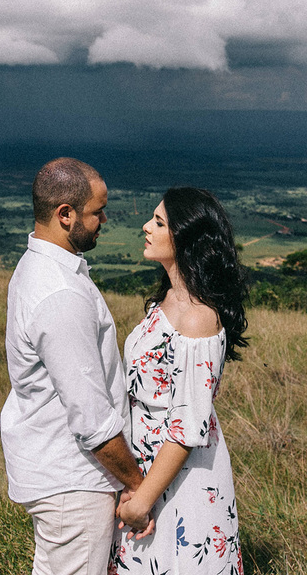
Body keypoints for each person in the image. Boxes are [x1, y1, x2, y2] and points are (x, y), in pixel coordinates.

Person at [1, 157, 152, 575]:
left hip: (58, 472)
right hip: (73, 481)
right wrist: (138, 487)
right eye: (97, 211)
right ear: (65, 215)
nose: (105, 219)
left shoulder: (40, 268)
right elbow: (92, 420)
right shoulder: (59, 293)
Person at [111, 187, 249, 575]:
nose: (146, 227)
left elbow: (188, 426)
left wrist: (143, 500)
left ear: (186, 236)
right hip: (145, 465)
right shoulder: (167, 298)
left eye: (158, 222)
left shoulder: (198, 318)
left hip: (179, 475)